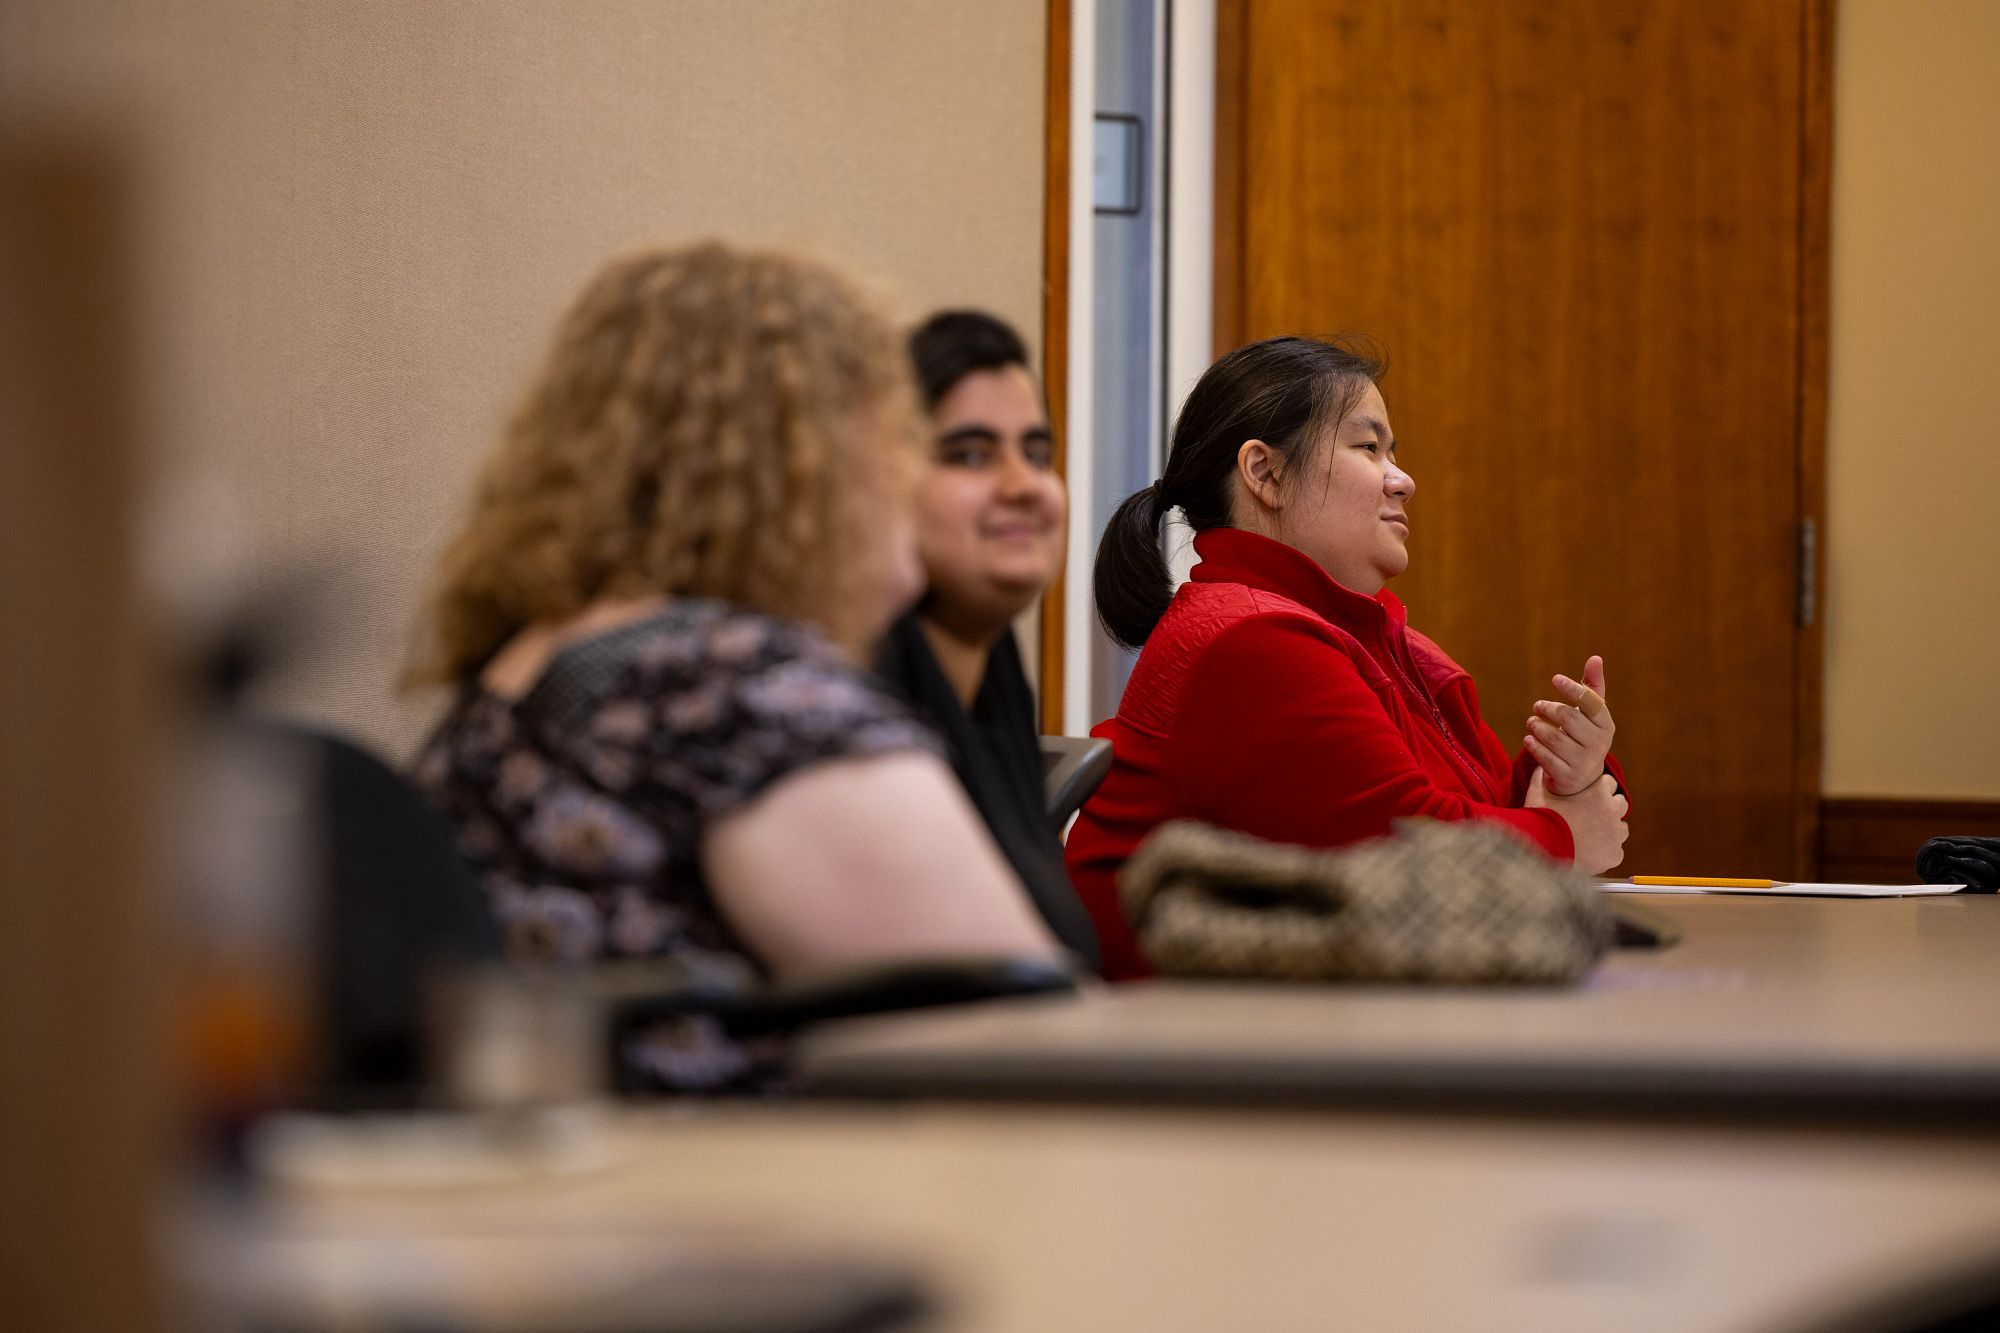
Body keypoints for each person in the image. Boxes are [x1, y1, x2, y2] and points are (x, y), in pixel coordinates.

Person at [407, 243, 1061, 1089]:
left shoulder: (524, 677)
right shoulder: (737, 695)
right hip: (744, 1197)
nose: (906, 471)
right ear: (803, 462)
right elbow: (1035, 1053)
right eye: (895, 432)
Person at [1067, 336, 1629, 979]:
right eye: (1369, 448)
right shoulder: (1251, 642)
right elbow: (1419, 856)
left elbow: (1486, 803)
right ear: (1265, 474)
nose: (1404, 480)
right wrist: (1564, 835)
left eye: (1393, 451)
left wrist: (1569, 776)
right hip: (1166, 1048)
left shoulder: (1368, 634)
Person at [873, 311, 1099, 969]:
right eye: (970, 454)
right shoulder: (844, 690)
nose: (1023, 485)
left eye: (1036, 453)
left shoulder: (991, 662)